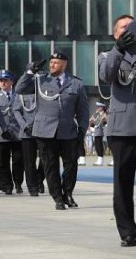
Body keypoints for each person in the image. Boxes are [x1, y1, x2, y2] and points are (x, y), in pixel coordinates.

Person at [98, 15, 136, 247]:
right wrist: (118, 50)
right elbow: (106, 75)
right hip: (122, 129)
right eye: (124, 28)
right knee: (122, 182)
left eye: (133, 27)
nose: (129, 31)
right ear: (116, 34)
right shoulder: (107, 55)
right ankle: (127, 231)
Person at [16, 52, 90, 210]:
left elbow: (83, 110)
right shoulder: (40, 79)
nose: (52, 65)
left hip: (68, 131)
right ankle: (57, 197)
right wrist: (30, 72)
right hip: (45, 131)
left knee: (71, 165)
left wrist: (82, 130)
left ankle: (68, 193)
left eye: (56, 63)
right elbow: (19, 89)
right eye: (51, 63)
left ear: (64, 65)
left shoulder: (75, 84)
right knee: (50, 166)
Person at [14, 89, 44, 196]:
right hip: (27, 132)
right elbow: (16, 111)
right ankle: (33, 187)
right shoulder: (21, 93)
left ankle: (39, 179)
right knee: (29, 162)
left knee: (46, 159)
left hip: (43, 130)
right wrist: (24, 125)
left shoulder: (43, 90)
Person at [0, 70, 23, 194]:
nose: (3, 83)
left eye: (5, 80)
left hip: (17, 134)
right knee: (2, 162)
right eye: (1, 81)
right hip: (2, 135)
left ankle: (18, 183)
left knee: (18, 161)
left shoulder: (18, 96)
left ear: (11, 82)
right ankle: (7, 185)